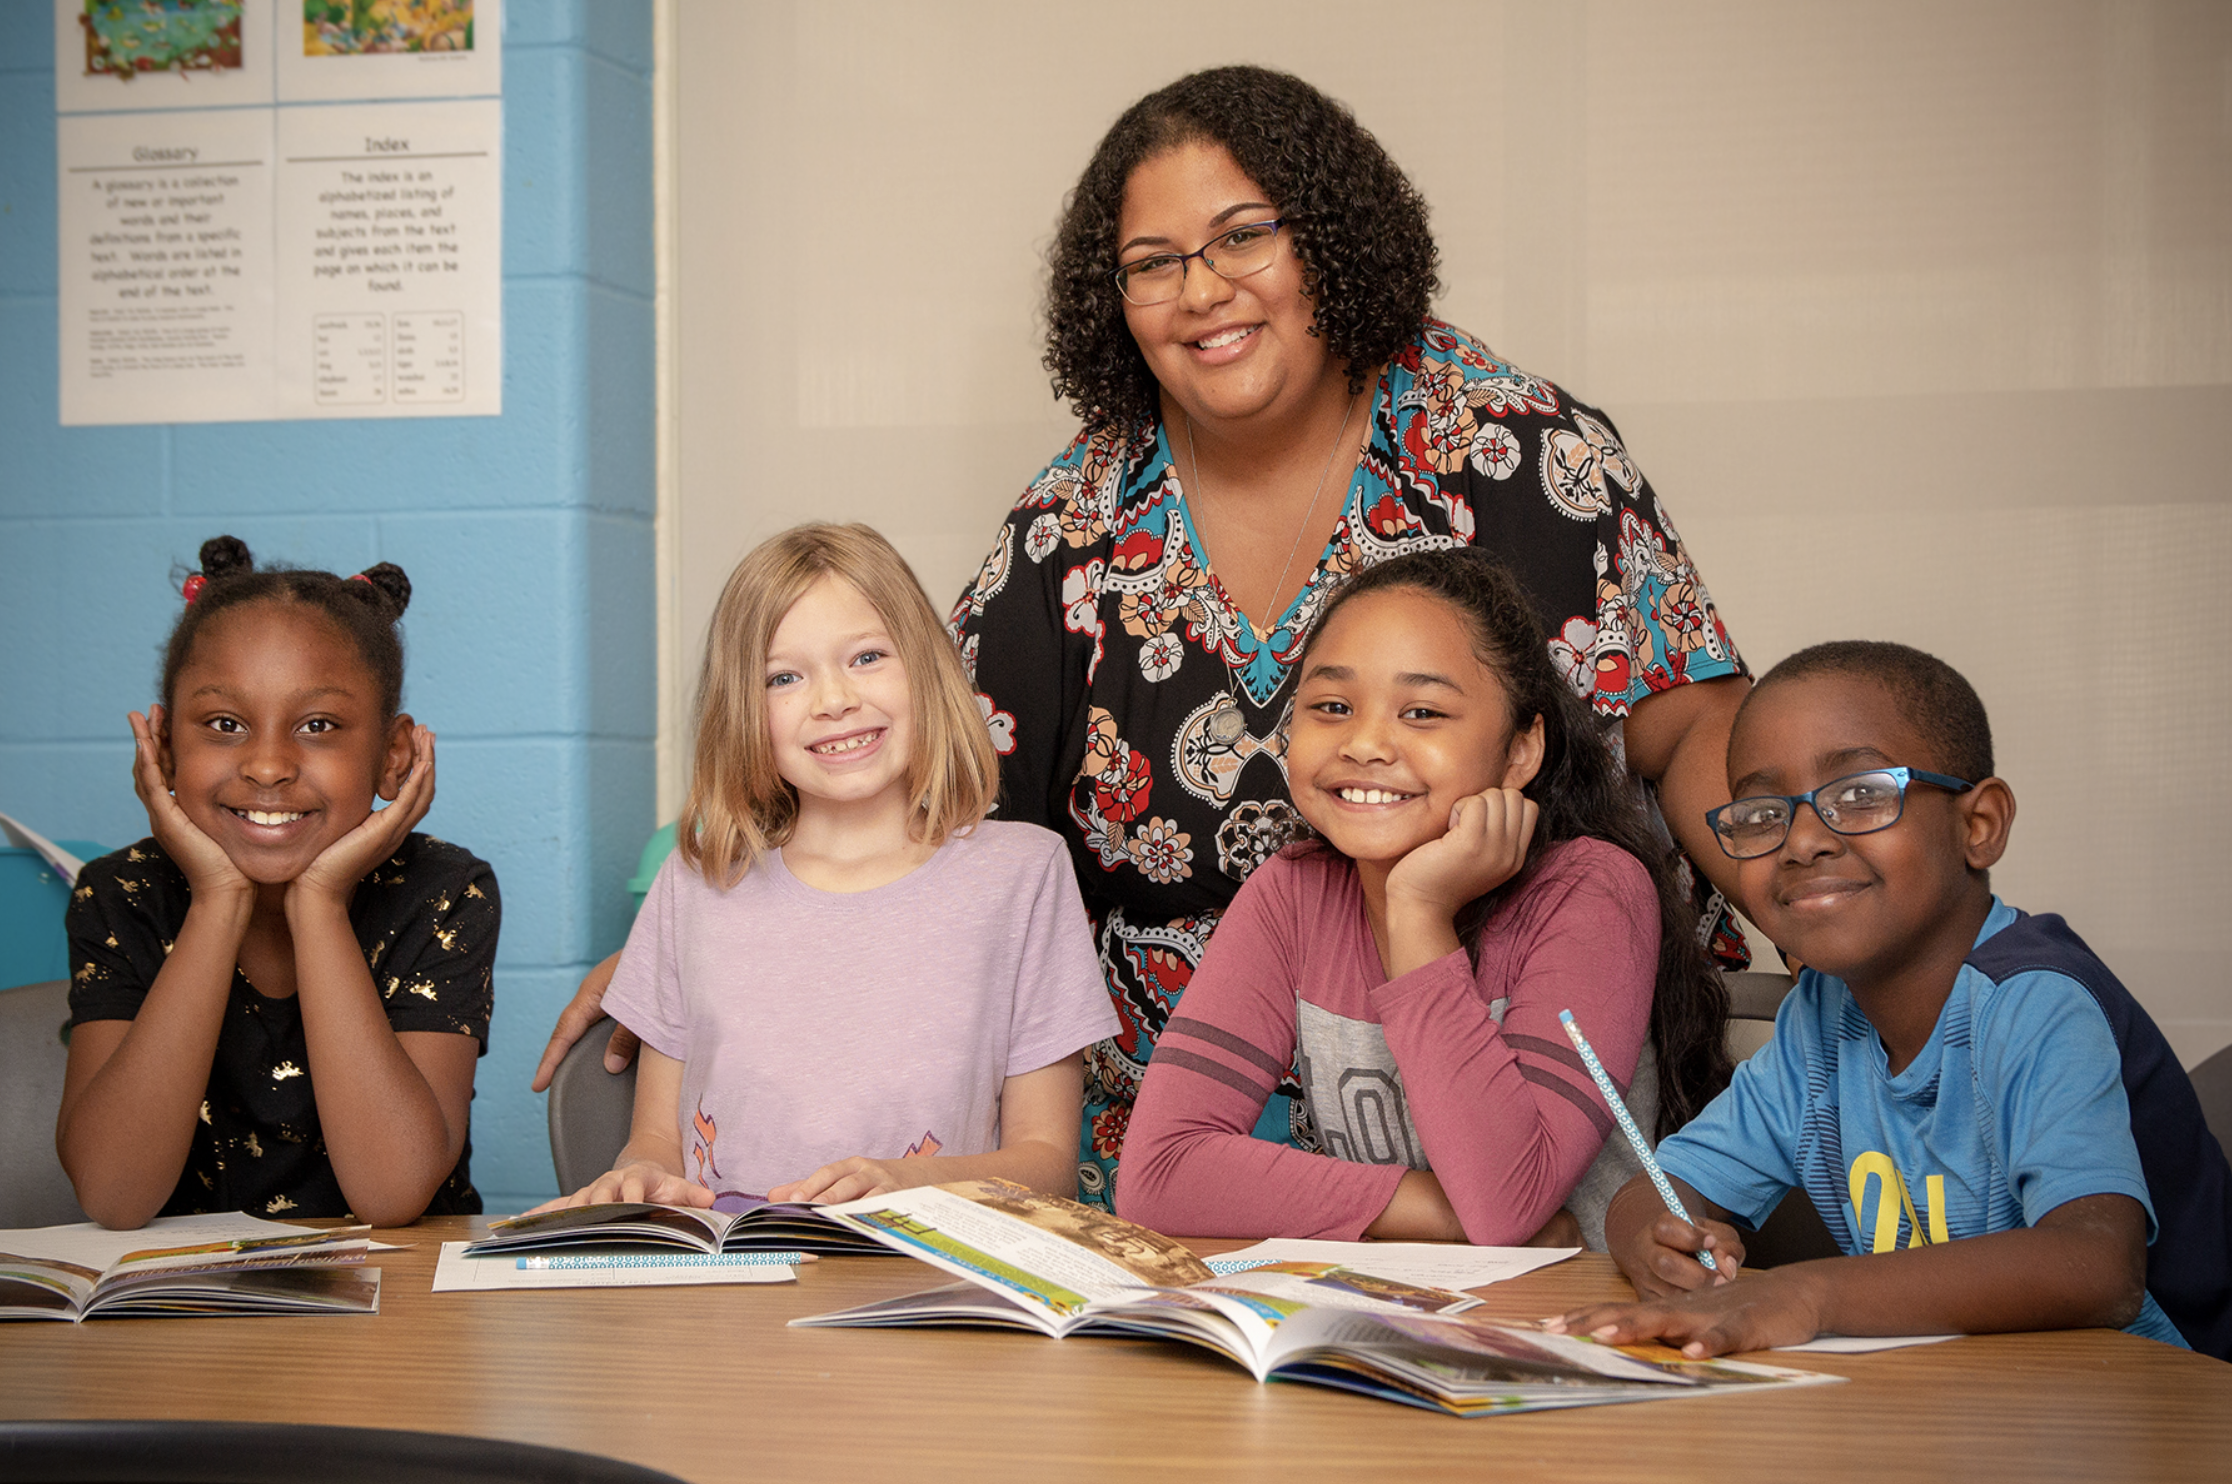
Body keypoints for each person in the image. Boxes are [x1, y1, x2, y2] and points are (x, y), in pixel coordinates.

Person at [536, 65, 1752, 1209]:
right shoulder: (1074, 523)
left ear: (1332, 239)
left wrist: (1817, 899)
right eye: (1152, 263)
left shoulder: (1512, 448)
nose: (1201, 290)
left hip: (1490, 1100)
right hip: (1173, 1149)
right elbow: (915, 769)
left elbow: (1694, 722)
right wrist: (702, 941)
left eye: (1243, 235)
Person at [1550, 642, 2232, 1359]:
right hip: (1975, 1391)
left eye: (1861, 796)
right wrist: (1655, 1239)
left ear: (1978, 825)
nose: (1801, 841)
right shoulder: (1819, 1019)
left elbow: (2097, 1269)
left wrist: (1807, 1294)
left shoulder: (2035, 1002)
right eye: (1761, 814)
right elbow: (1664, 1186)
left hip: (2161, 1396)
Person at [1117, 550, 1730, 1248]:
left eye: (1423, 712)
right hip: (1402, 1300)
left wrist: (1417, 911)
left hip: (1573, 1305)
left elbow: (1508, 1204)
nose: (1366, 743)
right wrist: (1439, 1215)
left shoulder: (1592, 892)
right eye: (1333, 707)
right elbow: (1157, 1175)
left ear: (1521, 751)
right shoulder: (1290, 894)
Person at [537, 525, 1116, 1212]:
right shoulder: (693, 883)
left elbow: (1047, 1165)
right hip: (730, 1269)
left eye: (867, 657)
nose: (834, 699)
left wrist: (905, 1183)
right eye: (784, 677)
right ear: (742, 709)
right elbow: (655, 1142)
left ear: (926, 668)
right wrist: (638, 1175)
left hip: (920, 1262)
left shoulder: (1024, 875)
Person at [58, 536, 494, 1229]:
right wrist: (218, 899)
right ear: (163, 748)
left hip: (398, 1290)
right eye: (225, 724)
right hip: (182, 1288)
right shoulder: (121, 894)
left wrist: (318, 903)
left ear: (393, 755)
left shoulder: (442, 891)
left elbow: (391, 1193)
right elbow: (115, 1196)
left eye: (317, 725)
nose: (267, 766)